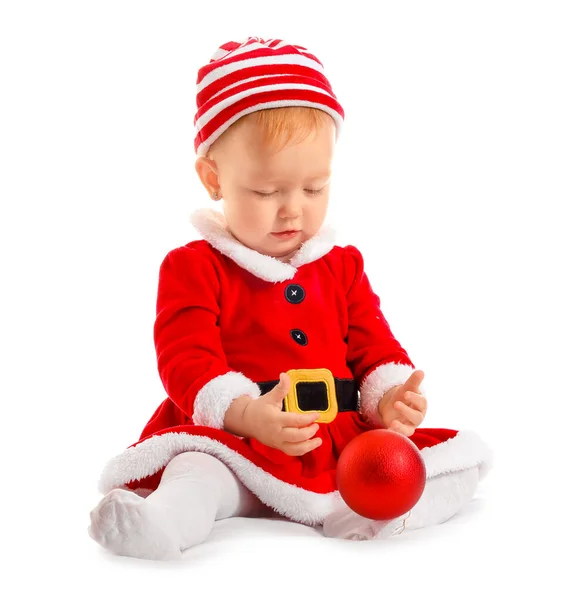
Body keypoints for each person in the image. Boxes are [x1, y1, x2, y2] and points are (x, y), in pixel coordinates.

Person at [88, 36, 493, 560]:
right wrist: (246, 414)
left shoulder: (340, 264)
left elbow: (375, 346)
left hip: (340, 445)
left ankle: (379, 510)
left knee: (449, 464)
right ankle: (162, 525)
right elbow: (185, 360)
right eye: (266, 192)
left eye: (315, 188)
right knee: (199, 473)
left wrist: (389, 397)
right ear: (214, 178)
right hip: (241, 440)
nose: (292, 211)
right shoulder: (194, 266)